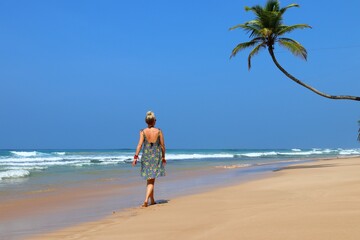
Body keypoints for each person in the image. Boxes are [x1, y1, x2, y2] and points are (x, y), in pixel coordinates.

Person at [132, 111, 166, 207]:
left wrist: (135, 157)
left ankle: (152, 200)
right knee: (151, 180)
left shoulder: (143, 132)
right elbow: (162, 146)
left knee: (149, 179)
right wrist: (163, 156)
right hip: (155, 157)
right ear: (154, 121)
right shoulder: (159, 131)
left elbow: (139, 145)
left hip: (146, 157)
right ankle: (146, 200)